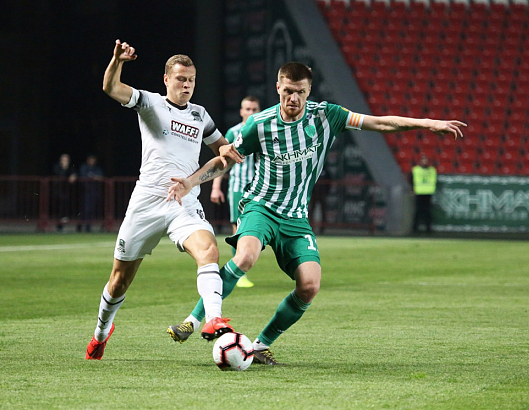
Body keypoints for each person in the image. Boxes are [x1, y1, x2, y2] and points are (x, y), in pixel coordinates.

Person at [166, 62, 466, 365]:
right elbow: (225, 160)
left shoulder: (327, 115)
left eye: (300, 92)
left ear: (309, 91)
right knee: (245, 257)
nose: (293, 98)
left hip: (296, 217)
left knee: (309, 286)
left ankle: (259, 346)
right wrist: (191, 182)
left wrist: (427, 123)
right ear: (278, 88)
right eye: (288, 91)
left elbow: (380, 123)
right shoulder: (259, 123)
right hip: (261, 206)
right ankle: (194, 320)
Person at [85, 39, 243, 360]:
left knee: (209, 250)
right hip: (147, 202)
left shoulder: (200, 116)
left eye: (192, 80)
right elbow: (111, 88)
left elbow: (223, 155)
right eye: (181, 79)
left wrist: (217, 159)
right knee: (119, 281)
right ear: (166, 79)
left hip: (184, 202)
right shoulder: (150, 103)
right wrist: (117, 61)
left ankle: (214, 318)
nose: (187, 85)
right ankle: (101, 332)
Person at [210, 96, 261, 288]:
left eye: (254, 109)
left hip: (258, 190)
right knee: (238, 231)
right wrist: (216, 187)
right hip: (238, 188)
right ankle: (238, 275)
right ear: (241, 111)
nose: (251, 113)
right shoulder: (233, 132)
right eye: (247, 109)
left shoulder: (263, 130)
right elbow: (222, 161)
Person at [78, 154, 104, 233]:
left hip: (94, 191)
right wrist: (93, 178)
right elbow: (83, 176)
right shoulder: (84, 167)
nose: (92, 161)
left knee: (91, 209)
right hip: (85, 191)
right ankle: (80, 226)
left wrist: (94, 177)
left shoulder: (96, 169)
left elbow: (101, 177)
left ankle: (88, 227)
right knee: (84, 209)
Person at [411, 154, 437, 234]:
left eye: (426, 160)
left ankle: (428, 229)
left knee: (427, 212)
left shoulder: (432, 170)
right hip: (419, 192)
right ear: (420, 161)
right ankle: (415, 229)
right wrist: (413, 188)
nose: (424, 162)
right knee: (418, 211)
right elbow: (411, 179)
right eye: (423, 160)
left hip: (428, 192)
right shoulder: (416, 170)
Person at [52, 153, 77, 232]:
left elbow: (74, 173)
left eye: (67, 160)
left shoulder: (70, 167)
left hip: (66, 190)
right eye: (64, 159)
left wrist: (73, 176)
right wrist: (64, 168)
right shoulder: (57, 167)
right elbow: (59, 174)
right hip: (57, 189)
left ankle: (63, 223)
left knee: (65, 205)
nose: (65, 161)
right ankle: (59, 226)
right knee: (58, 207)